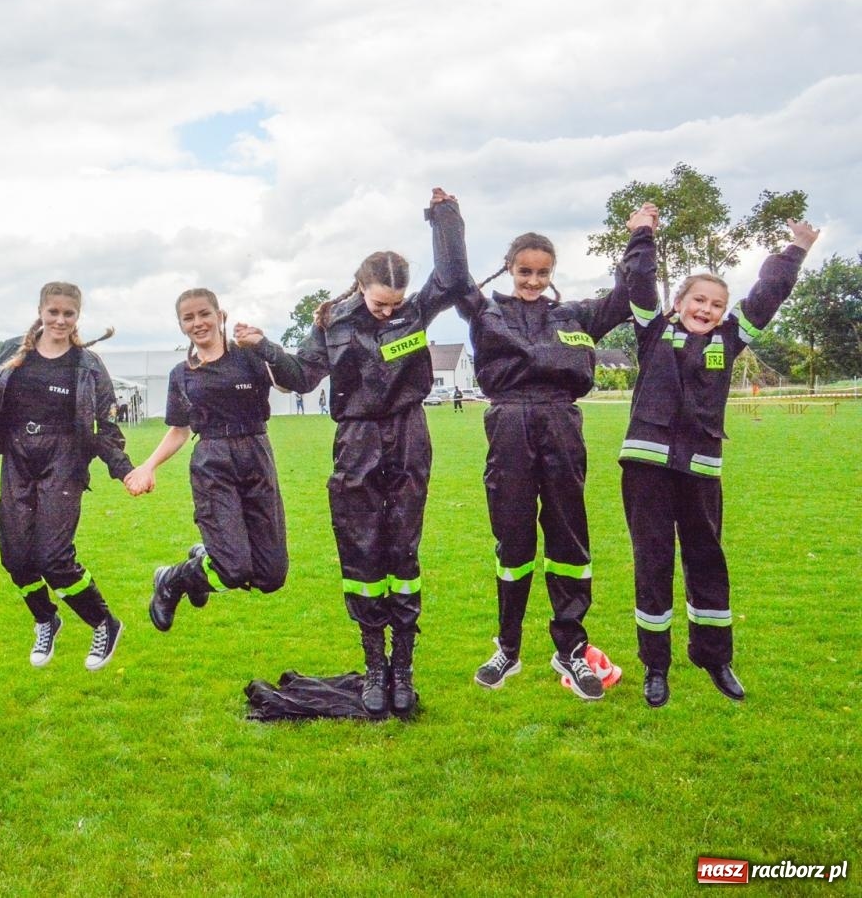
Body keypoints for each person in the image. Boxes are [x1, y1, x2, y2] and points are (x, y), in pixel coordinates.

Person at [458, 204, 658, 700]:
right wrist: (447, 218)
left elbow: (629, 292)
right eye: (524, 271)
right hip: (508, 423)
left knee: (568, 538)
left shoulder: (576, 315)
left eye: (542, 272)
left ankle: (571, 648)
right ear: (509, 268)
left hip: (561, 424)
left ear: (552, 274)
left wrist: (640, 235)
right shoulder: (486, 311)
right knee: (514, 541)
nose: (533, 280)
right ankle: (507, 647)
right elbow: (451, 276)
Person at [621, 218, 819, 708]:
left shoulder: (729, 340)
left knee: (707, 560)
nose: (706, 310)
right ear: (679, 303)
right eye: (698, 301)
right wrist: (643, 234)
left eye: (716, 305)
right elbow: (640, 280)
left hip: (701, 469)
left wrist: (796, 248)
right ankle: (655, 666)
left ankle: (714, 657)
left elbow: (767, 294)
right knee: (653, 563)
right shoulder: (651, 332)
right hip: (646, 467)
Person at [293, 189, 469, 718]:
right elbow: (300, 375)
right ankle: (374, 663)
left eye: (395, 303)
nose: (388, 310)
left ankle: (404, 666)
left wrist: (445, 218)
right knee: (362, 549)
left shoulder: (417, 309)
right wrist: (258, 351)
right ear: (361, 288)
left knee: (403, 550)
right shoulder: (331, 322)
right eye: (379, 303)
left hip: (409, 434)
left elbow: (453, 275)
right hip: (356, 441)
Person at [0, 282, 132, 671]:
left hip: (64, 459)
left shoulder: (87, 365)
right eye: (53, 311)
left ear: (77, 317)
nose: (60, 320)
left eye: (68, 314)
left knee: (53, 558)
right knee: (16, 556)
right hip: (18, 456)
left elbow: (104, 424)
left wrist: (125, 470)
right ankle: (44, 618)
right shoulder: (11, 353)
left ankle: (103, 621)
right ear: (40, 310)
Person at [125, 289, 309, 634]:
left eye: (204, 314)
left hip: (256, 455)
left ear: (220, 315)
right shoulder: (182, 374)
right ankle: (172, 581)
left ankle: (205, 560)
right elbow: (179, 430)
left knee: (271, 576)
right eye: (189, 318)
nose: (198, 323)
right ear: (181, 325)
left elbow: (295, 381)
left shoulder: (250, 357)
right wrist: (148, 466)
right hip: (213, 462)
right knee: (234, 569)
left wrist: (265, 344)